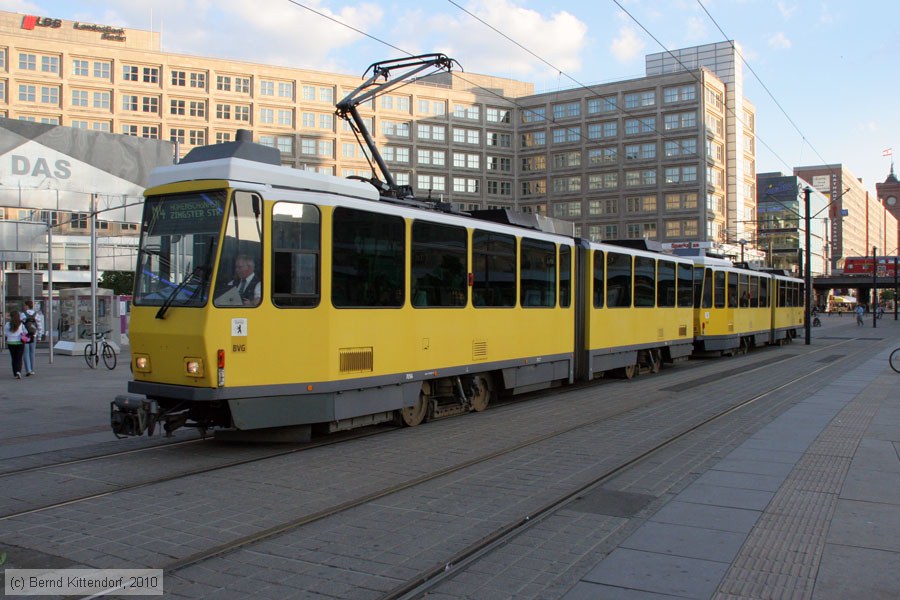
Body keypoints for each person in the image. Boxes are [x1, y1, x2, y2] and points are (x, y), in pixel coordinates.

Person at [22, 300, 43, 377]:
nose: (24, 307)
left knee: (26, 353)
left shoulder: (23, 315)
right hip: (34, 335)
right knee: (32, 353)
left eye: (25, 305)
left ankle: (28, 370)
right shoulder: (36, 315)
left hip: (25, 336)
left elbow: (21, 326)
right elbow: (39, 327)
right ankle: (32, 369)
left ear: (27, 306)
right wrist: (39, 337)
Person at [4, 310, 26, 379]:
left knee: (13, 358)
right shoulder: (21, 324)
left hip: (11, 342)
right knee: (19, 358)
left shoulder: (8, 324)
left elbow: (5, 333)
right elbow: (25, 332)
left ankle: (15, 372)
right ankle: (18, 372)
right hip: (20, 342)